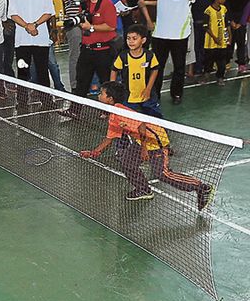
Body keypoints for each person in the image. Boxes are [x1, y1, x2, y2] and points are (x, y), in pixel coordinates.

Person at [80, 81, 213, 209]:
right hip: (142, 141)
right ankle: (143, 190)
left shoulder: (121, 112)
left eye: (101, 93)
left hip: (155, 141)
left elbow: (141, 125)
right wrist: (94, 153)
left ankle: (202, 187)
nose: (98, 95)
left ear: (110, 98)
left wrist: (144, 150)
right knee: (127, 161)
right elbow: (109, 139)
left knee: (162, 174)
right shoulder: (114, 115)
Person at [144, 0, 198, 104]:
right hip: (160, 33)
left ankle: (177, 94)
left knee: (179, 67)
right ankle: (155, 95)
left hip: (179, 34)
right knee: (157, 67)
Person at [7, 0, 55, 107]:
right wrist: (27, 26)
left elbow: (48, 12)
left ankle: (47, 101)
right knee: (22, 71)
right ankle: (22, 101)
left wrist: (34, 24)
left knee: (42, 72)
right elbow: (13, 14)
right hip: (22, 42)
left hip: (41, 40)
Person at [110, 24, 162, 118]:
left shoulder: (149, 56)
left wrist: (148, 89)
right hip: (128, 97)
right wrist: (112, 89)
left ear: (143, 40)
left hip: (147, 96)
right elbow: (114, 70)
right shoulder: (123, 56)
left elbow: (155, 69)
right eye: (128, 38)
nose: (131, 41)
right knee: (130, 122)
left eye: (134, 38)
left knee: (155, 120)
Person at [187, 0, 223, 78]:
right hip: (194, 18)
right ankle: (198, 69)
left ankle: (208, 68)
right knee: (196, 45)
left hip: (211, 19)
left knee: (209, 45)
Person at [60, 0, 90, 92]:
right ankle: (74, 85)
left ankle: (87, 83)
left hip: (87, 23)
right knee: (75, 55)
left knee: (89, 54)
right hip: (73, 24)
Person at [203, 0, 231, 85]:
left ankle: (220, 77)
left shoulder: (224, 9)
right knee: (208, 60)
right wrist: (214, 38)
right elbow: (206, 27)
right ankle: (206, 76)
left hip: (222, 40)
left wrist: (228, 37)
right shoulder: (208, 11)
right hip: (210, 41)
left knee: (222, 61)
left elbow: (227, 24)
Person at [225, 0, 250, 73]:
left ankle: (241, 64)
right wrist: (231, 21)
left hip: (241, 21)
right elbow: (227, 7)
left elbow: (247, 8)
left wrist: (241, 22)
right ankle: (226, 63)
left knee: (240, 43)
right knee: (228, 42)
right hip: (231, 21)